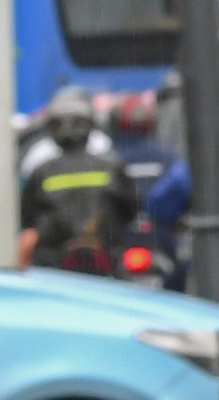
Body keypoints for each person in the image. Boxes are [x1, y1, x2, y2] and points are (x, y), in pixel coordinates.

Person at [17, 87, 138, 270]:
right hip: (105, 261)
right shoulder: (111, 167)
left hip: (56, 265)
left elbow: (27, 219)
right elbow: (132, 208)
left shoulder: (41, 172)